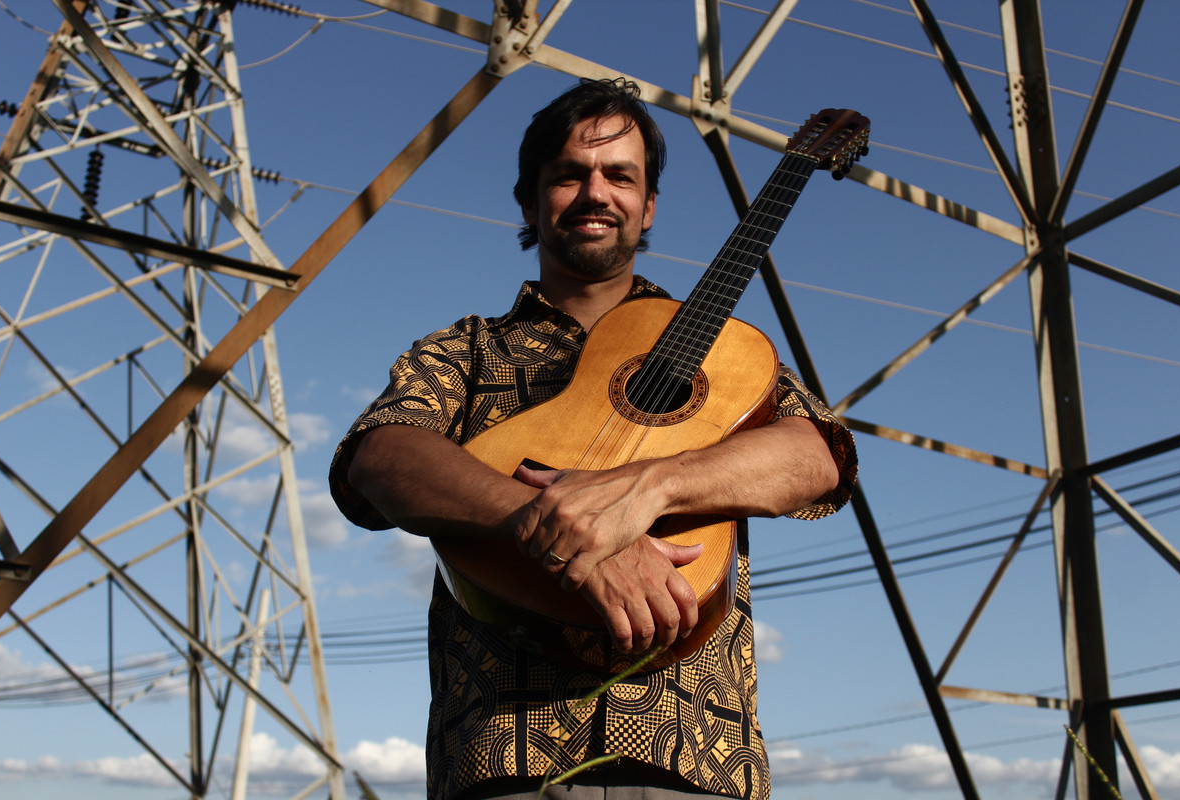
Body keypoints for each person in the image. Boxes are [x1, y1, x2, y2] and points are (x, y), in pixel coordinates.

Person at [329, 78, 857, 800]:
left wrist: (649, 487)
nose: (595, 193)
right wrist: (558, 526)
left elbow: (818, 458)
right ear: (529, 200)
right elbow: (380, 456)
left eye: (620, 176)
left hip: (693, 763)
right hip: (505, 763)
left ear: (648, 207)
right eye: (569, 175)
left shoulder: (731, 357)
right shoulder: (466, 349)